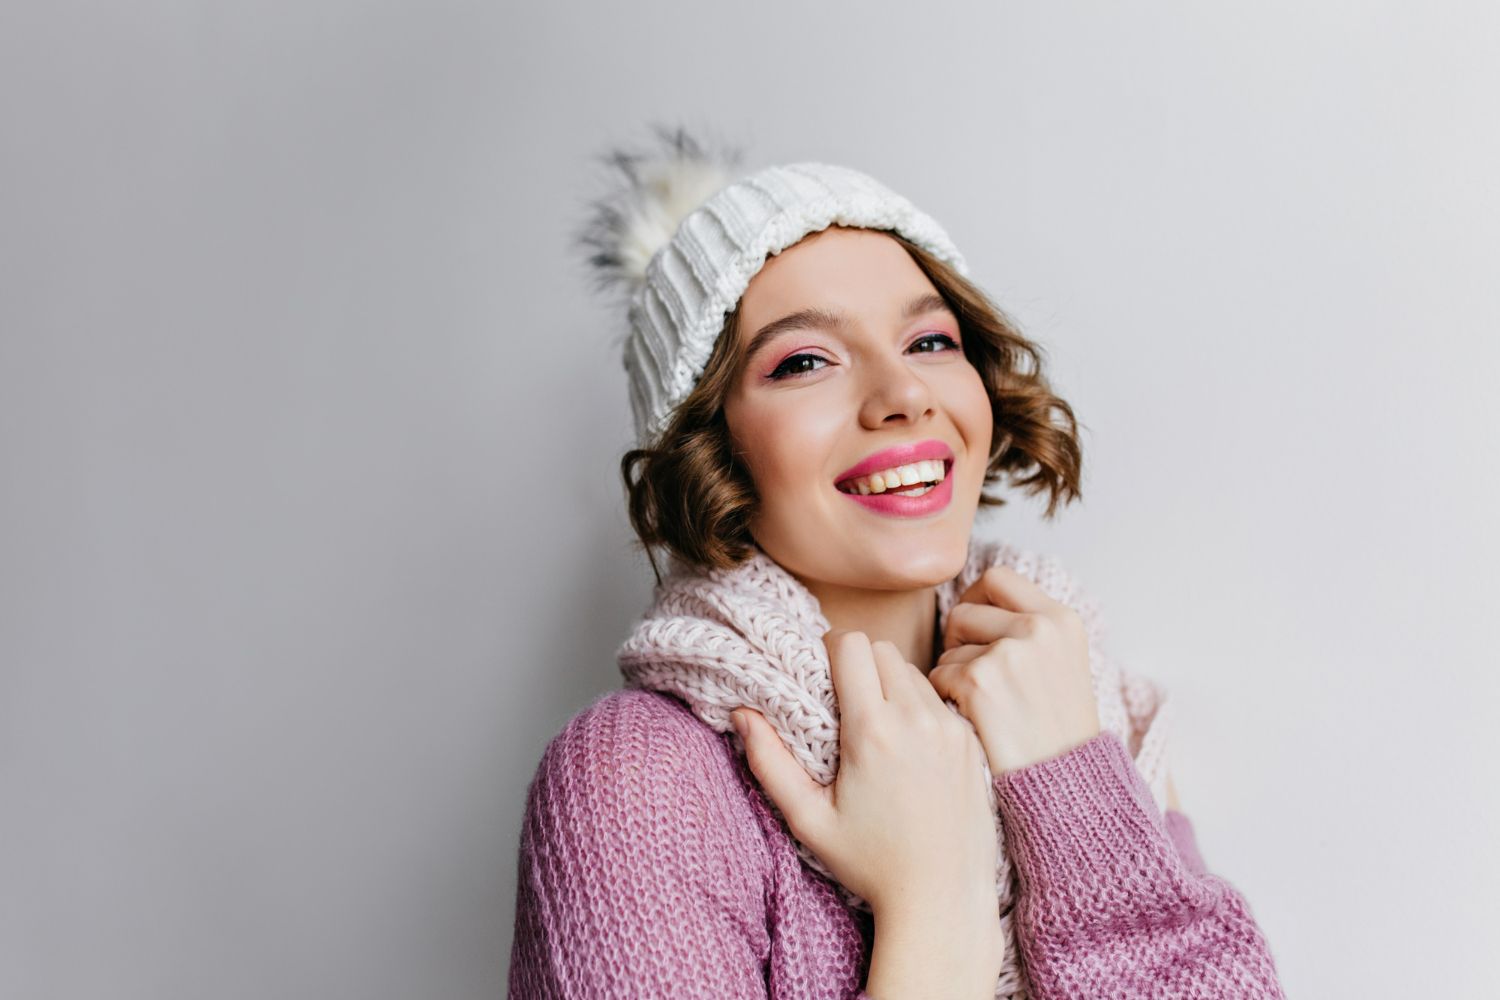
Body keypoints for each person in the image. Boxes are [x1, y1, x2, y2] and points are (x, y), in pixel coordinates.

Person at [506, 124, 1288, 999]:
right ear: (709, 448)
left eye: (930, 342)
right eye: (805, 361)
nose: (904, 393)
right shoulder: (635, 784)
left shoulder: (1085, 707)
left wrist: (1070, 786)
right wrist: (932, 908)